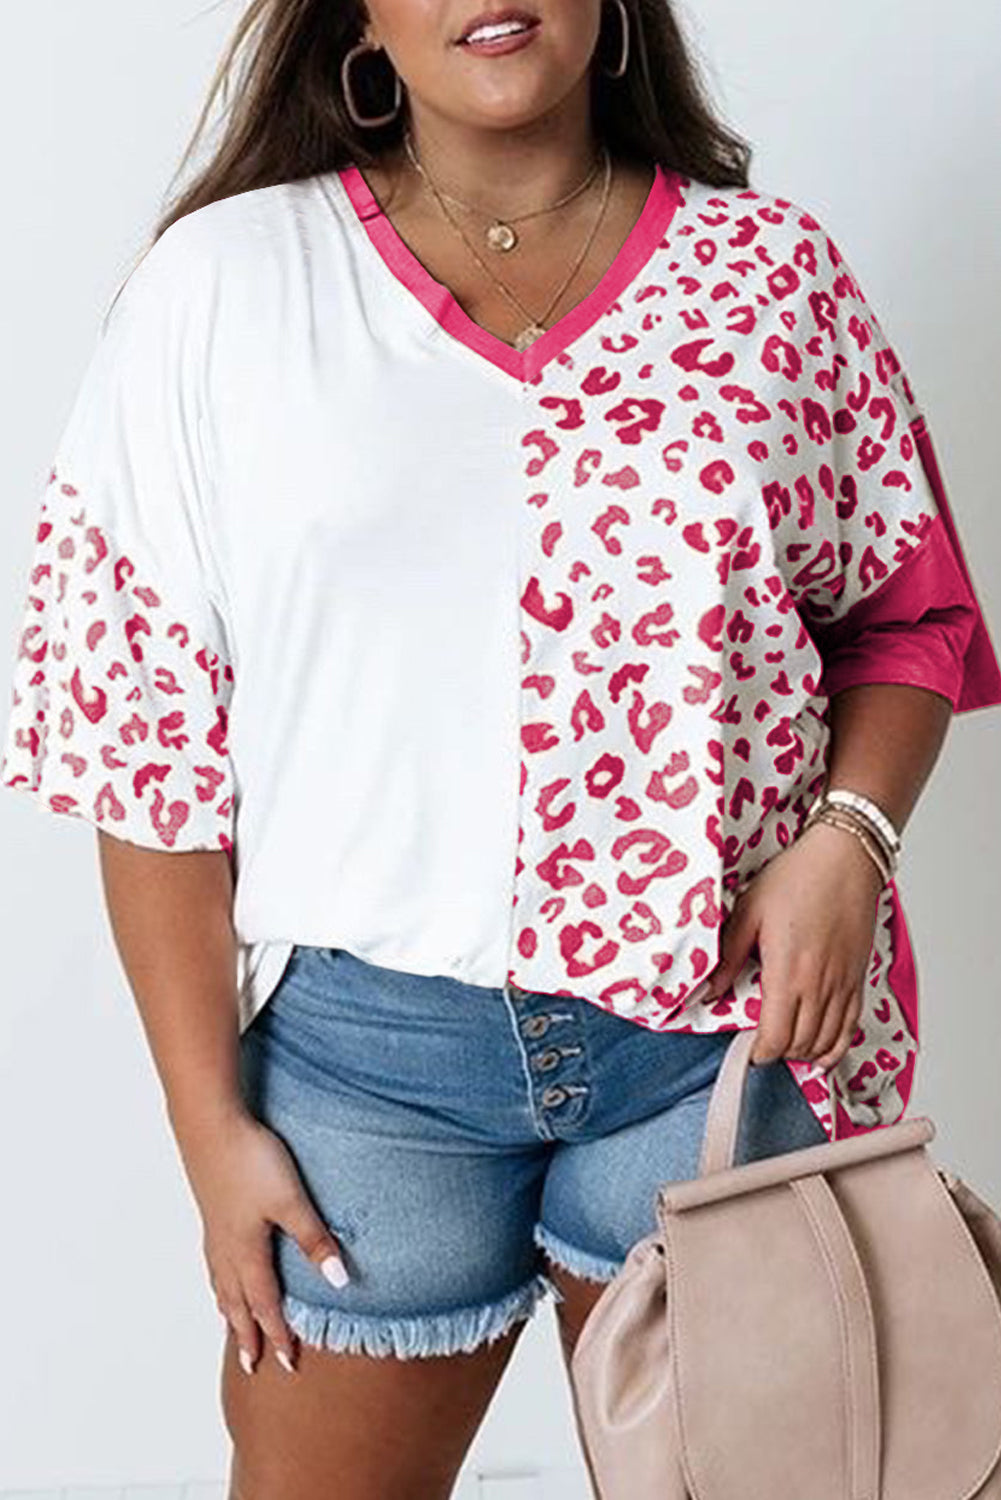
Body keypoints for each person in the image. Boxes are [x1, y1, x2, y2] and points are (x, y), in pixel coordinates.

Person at [4, 1, 1001, 1496]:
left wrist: (848, 840)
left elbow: (904, 615)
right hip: (363, 1077)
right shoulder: (223, 288)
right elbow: (136, 734)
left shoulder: (771, 278)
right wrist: (207, 1128)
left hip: (717, 1045)